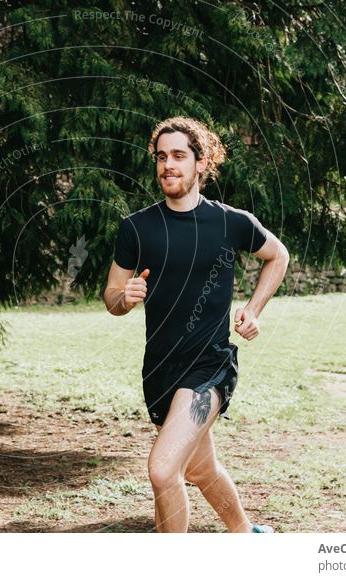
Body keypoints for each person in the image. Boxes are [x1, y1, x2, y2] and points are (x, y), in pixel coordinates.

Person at [103, 116, 289, 533]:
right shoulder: (136, 228)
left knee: (163, 470)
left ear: (201, 162)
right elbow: (112, 297)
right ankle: (247, 536)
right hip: (159, 372)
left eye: (179, 156)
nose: (168, 165)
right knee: (200, 470)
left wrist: (254, 308)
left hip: (208, 367)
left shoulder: (230, 222)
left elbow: (278, 256)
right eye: (161, 157)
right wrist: (124, 298)